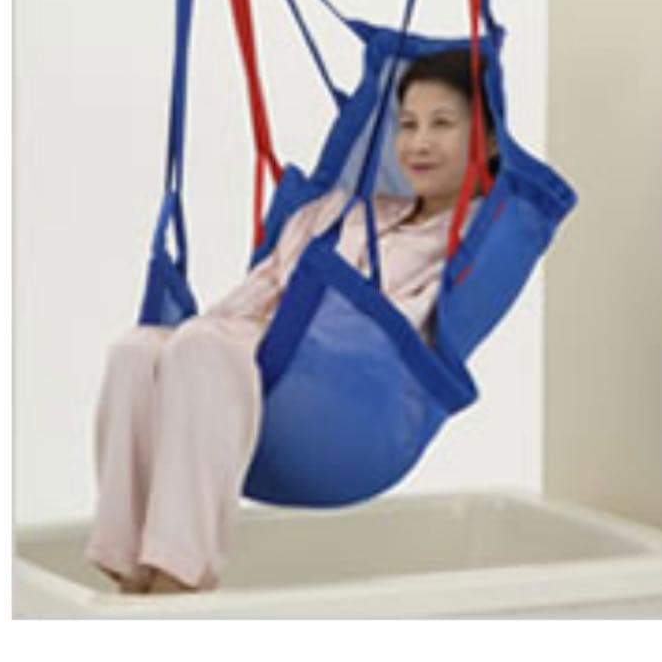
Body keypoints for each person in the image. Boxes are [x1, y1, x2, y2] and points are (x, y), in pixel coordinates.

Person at [84, 48, 499, 594]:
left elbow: (394, 332)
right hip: (248, 354)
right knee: (136, 350)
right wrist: (217, 331)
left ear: (490, 141)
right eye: (407, 124)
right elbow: (257, 288)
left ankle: (180, 576)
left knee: (202, 349)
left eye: (441, 124)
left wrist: (295, 311)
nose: (418, 143)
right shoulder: (340, 210)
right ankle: (127, 566)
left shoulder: (469, 248)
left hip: (338, 394)